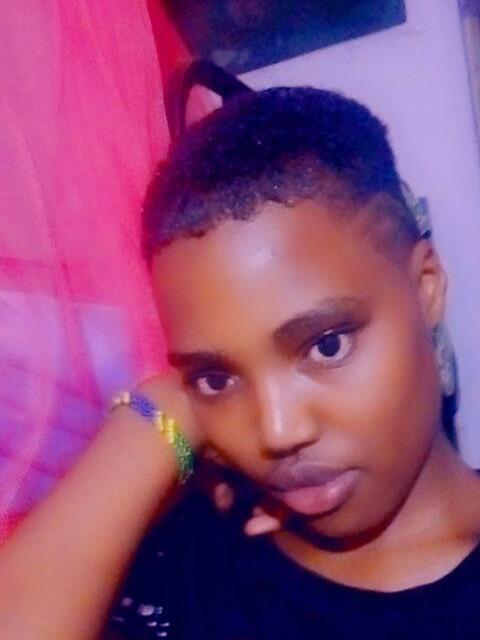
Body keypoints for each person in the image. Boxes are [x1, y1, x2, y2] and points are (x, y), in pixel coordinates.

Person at [0, 85, 479, 640]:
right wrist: (159, 412)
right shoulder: (182, 566)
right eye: (215, 377)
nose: (277, 432)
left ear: (426, 286)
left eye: (327, 346)